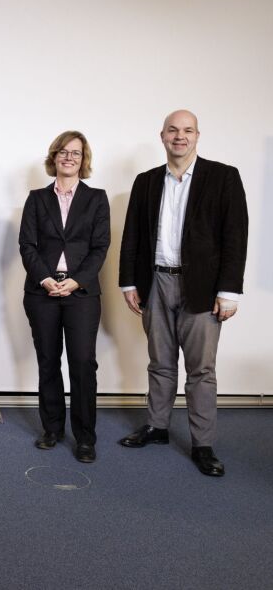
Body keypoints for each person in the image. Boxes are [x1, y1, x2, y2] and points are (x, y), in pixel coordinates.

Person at [118, 110, 248, 477]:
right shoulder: (146, 182)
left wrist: (229, 291)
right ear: (162, 136)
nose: (180, 136)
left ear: (197, 136)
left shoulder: (223, 177)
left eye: (187, 130)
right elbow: (132, 237)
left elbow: (235, 238)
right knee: (159, 362)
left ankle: (202, 444)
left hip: (203, 289)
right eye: (173, 130)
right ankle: (158, 427)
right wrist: (129, 283)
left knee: (201, 370)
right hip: (155, 282)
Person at [18, 131, 110, 463]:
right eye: (63, 152)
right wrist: (45, 279)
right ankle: (52, 429)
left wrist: (74, 281)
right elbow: (26, 245)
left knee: (83, 364)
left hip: (81, 293)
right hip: (41, 292)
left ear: (83, 159)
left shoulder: (97, 198)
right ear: (54, 157)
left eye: (76, 153)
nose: (69, 157)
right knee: (48, 361)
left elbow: (100, 247)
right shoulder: (37, 199)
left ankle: (85, 437)